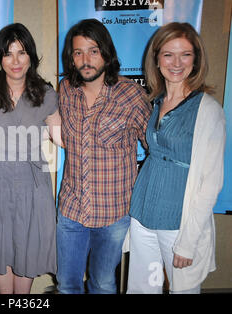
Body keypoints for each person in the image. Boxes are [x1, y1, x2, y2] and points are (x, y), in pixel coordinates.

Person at [127, 22, 226, 294]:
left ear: (196, 60)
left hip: (177, 224)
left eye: (185, 54)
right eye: (169, 54)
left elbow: (211, 182)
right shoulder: (155, 102)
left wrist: (188, 242)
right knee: (143, 289)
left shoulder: (208, 110)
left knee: (184, 290)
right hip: (143, 216)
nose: (176, 62)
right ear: (157, 59)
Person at [57, 19, 152, 294]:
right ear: (71, 58)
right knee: (66, 284)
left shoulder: (131, 95)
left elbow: (154, 148)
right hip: (71, 210)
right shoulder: (65, 91)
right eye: (78, 52)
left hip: (113, 213)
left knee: (103, 283)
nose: (86, 59)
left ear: (106, 53)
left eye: (93, 51)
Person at [0, 23, 62, 294]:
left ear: (31, 57)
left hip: (33, 182)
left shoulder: (46, 93)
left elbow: (60, 137)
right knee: (0, 250)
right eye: (8, 53)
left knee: (28, 248)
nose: (15, 61)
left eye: (21, 53)